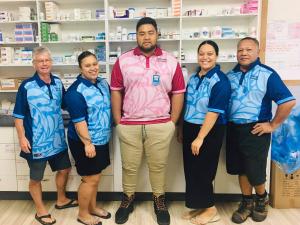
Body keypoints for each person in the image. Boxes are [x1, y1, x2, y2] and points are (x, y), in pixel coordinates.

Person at [110, 17, 185, 225]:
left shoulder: (170, 61)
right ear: (136, 36)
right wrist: (118, 121)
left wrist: (172, 122)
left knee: (158, 166)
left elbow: (178, 92)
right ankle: (127, 199)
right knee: (129, 166)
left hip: (161, 124)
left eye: (150, 32)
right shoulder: (123, 61)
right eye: (141, 33)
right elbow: (116, 91)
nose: (146, 37)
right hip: (129, 125)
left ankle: (159, 200)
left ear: (157, 34)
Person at [226, 37, 296, 223]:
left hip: (256, 129)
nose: (244, 53)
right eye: (241, 50)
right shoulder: (230, 75)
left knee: (254, 170)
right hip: (233, 129)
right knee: (241, 168)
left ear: (258, 52)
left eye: (249, 49)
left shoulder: (267, 74)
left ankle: (261, 199)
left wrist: (272, 125)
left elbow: (288, 101)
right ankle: (246, 202)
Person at [13, 46, 77, 225]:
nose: (44, 63)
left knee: (64, 169)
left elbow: (66, 104)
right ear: (34, 63)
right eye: (40, 61)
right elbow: (18, 116)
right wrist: (22, 138)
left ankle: (61, 199)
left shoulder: (57, 82)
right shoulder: (27, 86)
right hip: (36, 142)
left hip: (57, 139)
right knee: (36, 178)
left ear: (51, 62)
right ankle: (40, 211)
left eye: (47, 60)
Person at [178, 40, 231, 225]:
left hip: (209, 130)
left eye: (210, 54)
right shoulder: (194, 78)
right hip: (190, 127)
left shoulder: (220, 81)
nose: (205, 57)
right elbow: (187, 104)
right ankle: (200, 205)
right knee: (191, 169)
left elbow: (214, 112)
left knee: (204, 170)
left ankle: (211, 209)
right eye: (202, 53)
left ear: (216, 56)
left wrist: (200, 137)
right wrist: (181, 128)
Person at [64, 51, 112, 225]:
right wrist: (87, 143)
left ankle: (92, 208)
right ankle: (83, 214)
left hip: (101, 138)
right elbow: (79, 122)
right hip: (85, 142)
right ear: (80, 68)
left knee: (95, 177)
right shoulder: (76, 91)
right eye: (87, 65)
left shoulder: (102, 83)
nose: (93, 68)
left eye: (95, 64)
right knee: (89, 178)